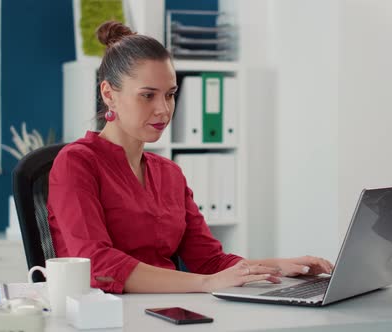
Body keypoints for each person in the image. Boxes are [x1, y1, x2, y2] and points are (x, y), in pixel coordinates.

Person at [47, 21, 333, 294]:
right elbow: (98, 268)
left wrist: (278, 267)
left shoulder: (169, 173)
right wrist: (205, 284)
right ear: (109, 94)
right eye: (148, 96)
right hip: (108, 316)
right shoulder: (76, 163)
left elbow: (209, 262)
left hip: (172, 308)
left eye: (170, 94)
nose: (163, 109)